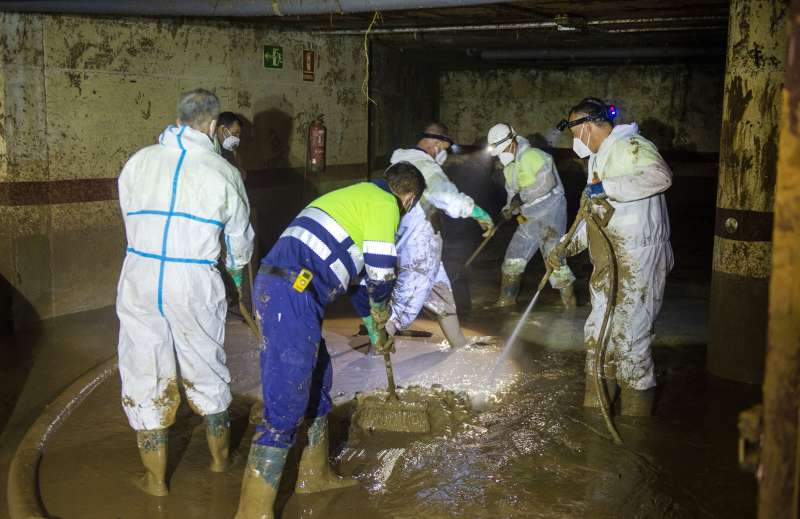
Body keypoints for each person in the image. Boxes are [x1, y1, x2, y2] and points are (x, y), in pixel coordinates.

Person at [235, 162, 425, 519]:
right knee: (288, 400)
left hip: (293, 292)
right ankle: (252, 511)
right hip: (289, 293)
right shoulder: (385, 205)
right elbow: (381, 274)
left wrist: (373, 329)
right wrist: (382, 307)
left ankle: (315, 476)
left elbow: (359, 284)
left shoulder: (358, 199)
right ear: (410, 199)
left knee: (319, 381)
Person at [117, 89, 254, 496]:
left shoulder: (138, 161)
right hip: (194, 278)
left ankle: (155, 481)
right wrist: (233, 274)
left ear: (177, 118)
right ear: (213, 126)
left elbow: (126, 211)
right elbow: (239, 240)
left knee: (144, 368)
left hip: (140, 273)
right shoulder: (222, 172)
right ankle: (219, 461)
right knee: (206, 365)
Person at [547, 97, 673, 416]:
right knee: (598, 335)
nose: (574, 142)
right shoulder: (598, 157)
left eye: (575, 135)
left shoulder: (631, 144)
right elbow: (591, 214)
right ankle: (598, 404)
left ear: (587, 127)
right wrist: (565, 246)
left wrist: (609, 187)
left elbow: (660, 176)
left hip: (637, 258)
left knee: (630, 339)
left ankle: (633, 426)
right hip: (609, 260)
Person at [356, 123, 494, 349]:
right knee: (403, 309)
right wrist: (476, 211)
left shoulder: (402, 162)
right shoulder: (425, 165)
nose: (444, 153)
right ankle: (376, 351)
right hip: (419, 249)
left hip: (419, 245)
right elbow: (444, 195)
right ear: (437, 144)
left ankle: (459, 343)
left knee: (443, 299)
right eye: (445, 147)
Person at [486, 123, 577, 308]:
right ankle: (506, 300)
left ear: (512, 141)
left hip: (550, 212)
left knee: (553, 258)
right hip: (529, 216)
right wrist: (508, 209)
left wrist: (523, 196)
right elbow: (513, 194)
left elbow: (548, 182)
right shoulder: (509, 168)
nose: (502, 154)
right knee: (513, 256)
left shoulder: (533, 155)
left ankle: (570, 303)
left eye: (503, 148)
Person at [214, 111, 245, 178]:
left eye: (239, 135)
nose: (238, 138)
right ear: (223, 130)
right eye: (235, 133)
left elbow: (239, 167)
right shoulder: (210, 145)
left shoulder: (225, 146)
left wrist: (235, 152)